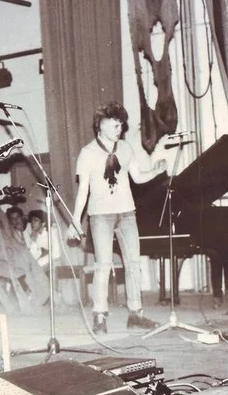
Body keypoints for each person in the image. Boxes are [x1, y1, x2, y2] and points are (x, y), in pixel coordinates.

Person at [67, 101, 167, 334]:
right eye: (114, 125)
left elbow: (138, 177)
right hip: (100, 216)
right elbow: (83, 191)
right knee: (103, 266)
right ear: (100, 125)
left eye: (121, 125)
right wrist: (75, 221)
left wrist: (155, 171)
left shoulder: (125, 148)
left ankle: (136, 314)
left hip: (127, 213)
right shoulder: (88, 153)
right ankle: (99, 316)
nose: (119, 129)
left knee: (133, 264)